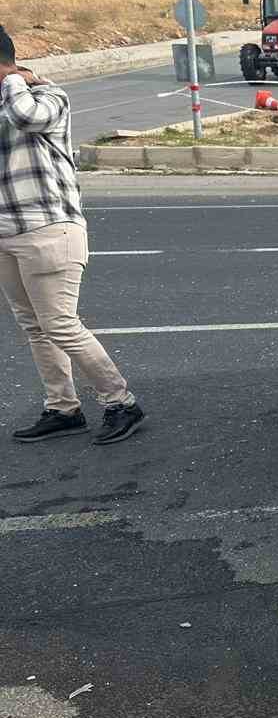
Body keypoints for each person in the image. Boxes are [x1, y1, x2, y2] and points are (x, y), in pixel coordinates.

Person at [0, 23, 146, 445]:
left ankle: (121, 402)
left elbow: (26, 118)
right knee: (34, 326)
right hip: (7, 234)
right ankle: (62, 409)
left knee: (60, 324)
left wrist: (13, 76)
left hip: (49, 229)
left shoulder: (48, 96)